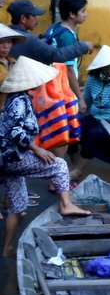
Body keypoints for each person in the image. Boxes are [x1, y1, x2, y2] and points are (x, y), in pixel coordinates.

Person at [1, 57, 91, 257]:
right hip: (12, 158)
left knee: (17, 207)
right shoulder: (20, 101)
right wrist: (37, 149)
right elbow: (15, 131)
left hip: (7, 159)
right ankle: (66, 204)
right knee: (59, 165)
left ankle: (7, 248)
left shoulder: (16, 98)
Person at [69, 46, 110, 181]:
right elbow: (87, 100)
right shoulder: (93, 78)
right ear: (103, 67)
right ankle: (75, 163)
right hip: (96, 117)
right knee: (71, 128)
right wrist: (74, 116)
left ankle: (78, 171)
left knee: (93, 136)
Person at [42, 0, 89, 113]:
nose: (86, 14)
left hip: (51, 85)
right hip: (62, 88)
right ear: (72, 14)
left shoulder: (55, 27)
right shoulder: (67, 36)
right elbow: (69, 69)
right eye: (83, 11)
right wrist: (80, 97)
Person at [8, 0, 93, 65]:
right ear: (23, 19)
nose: (36, 19)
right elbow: (56, 55)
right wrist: (84, 46)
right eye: (34, 16)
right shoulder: (29, 40)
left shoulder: (6, 35)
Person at [0, 24, 26, 111]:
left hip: (16, 110)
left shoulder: (14, 61)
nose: (6, 46)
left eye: (9, 42)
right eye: (2, 42)